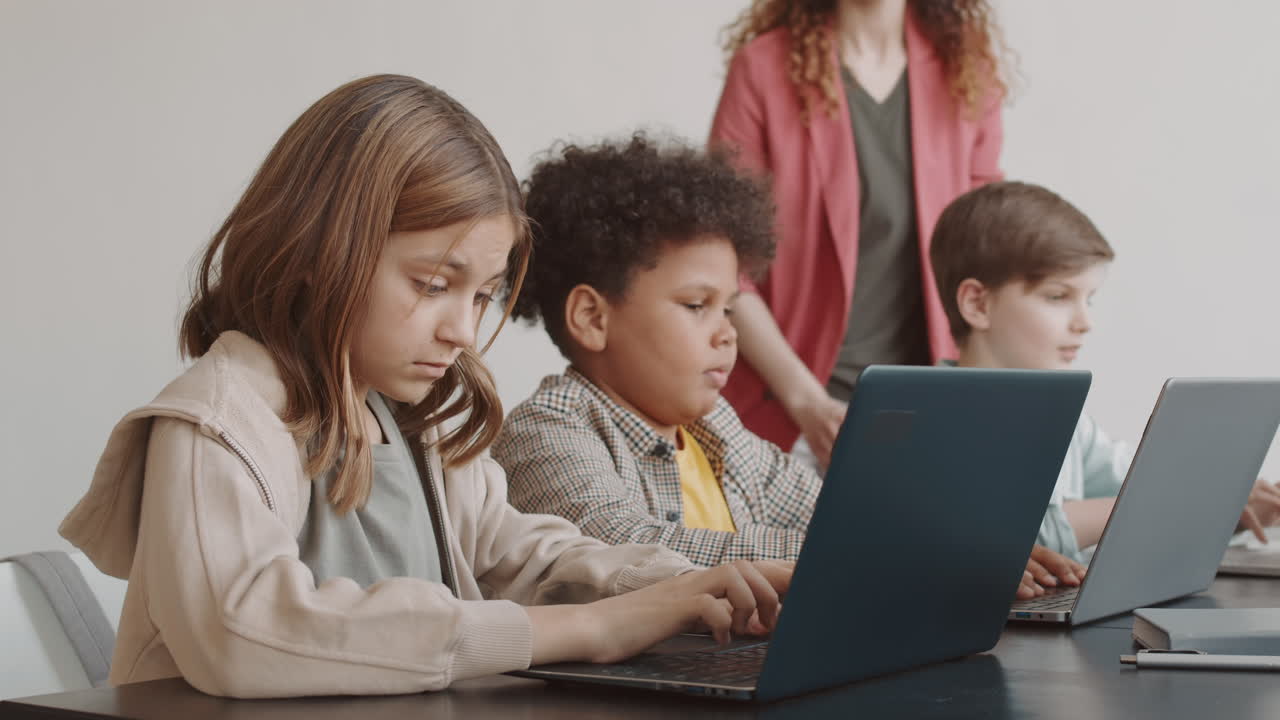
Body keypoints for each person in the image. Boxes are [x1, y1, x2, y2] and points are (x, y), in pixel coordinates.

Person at [57, 75, 790, 699]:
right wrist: (588, 628)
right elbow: (244, 630)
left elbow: (524, 558)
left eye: (482, 296)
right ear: (321, 251)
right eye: (435, 285)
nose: (463, 331)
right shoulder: (216, 420)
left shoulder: (422, 422)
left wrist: (697, 584)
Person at [494, 135, 1079, 600]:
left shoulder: (714, 429)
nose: (727, 333)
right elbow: (631, 547)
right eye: (697, 307)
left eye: (728, 308)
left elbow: (839, 508)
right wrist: (884, 551)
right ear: (592, 318)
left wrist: (955, 542)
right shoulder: (548, 430)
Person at [710, 0, 1007, 469]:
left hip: (928, 412)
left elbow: (988, 248)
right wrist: (809, 405)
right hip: (790, 420)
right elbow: (724, 265)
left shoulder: (965, 68)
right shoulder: (762, 69)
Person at [929, 180, 1280, 560]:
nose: (1084, 322)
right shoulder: (933, 420)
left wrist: (1226, 501)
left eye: (1089, 300)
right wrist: (1172, 503)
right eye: (1058, 297)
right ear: (977, 304)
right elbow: (1010, 540)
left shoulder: (1065, 417)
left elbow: (1143, 475)